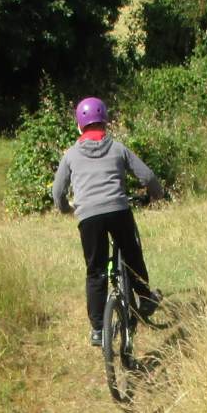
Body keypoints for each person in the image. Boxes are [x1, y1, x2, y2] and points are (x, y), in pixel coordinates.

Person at [52, 96, 165, 347]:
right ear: (105, 122)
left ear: (79, 126)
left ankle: (97, 329)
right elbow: (147, 176)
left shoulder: (70, 155)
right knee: (132, 255)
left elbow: (57, 193)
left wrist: (66, 209)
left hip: (89, 218)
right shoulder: (117, 148)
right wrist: (156, 195)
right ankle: (146, 298)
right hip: (118, 210)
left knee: (95, 271)